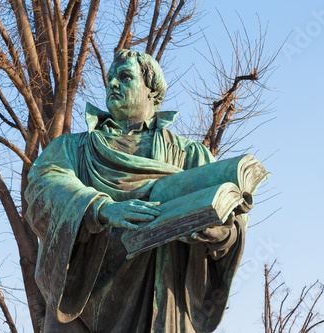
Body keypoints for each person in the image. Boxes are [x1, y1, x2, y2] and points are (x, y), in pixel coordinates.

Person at [25, 49, 246, 333]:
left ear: (152, 91)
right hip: (82, 304)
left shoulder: (190, 157)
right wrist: (100, 208)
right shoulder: (72, 149)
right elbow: (44, 186)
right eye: (110, 78)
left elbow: (234, 226)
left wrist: (219, 233)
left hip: (163, 300)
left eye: (125, 76)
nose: (113, 84)